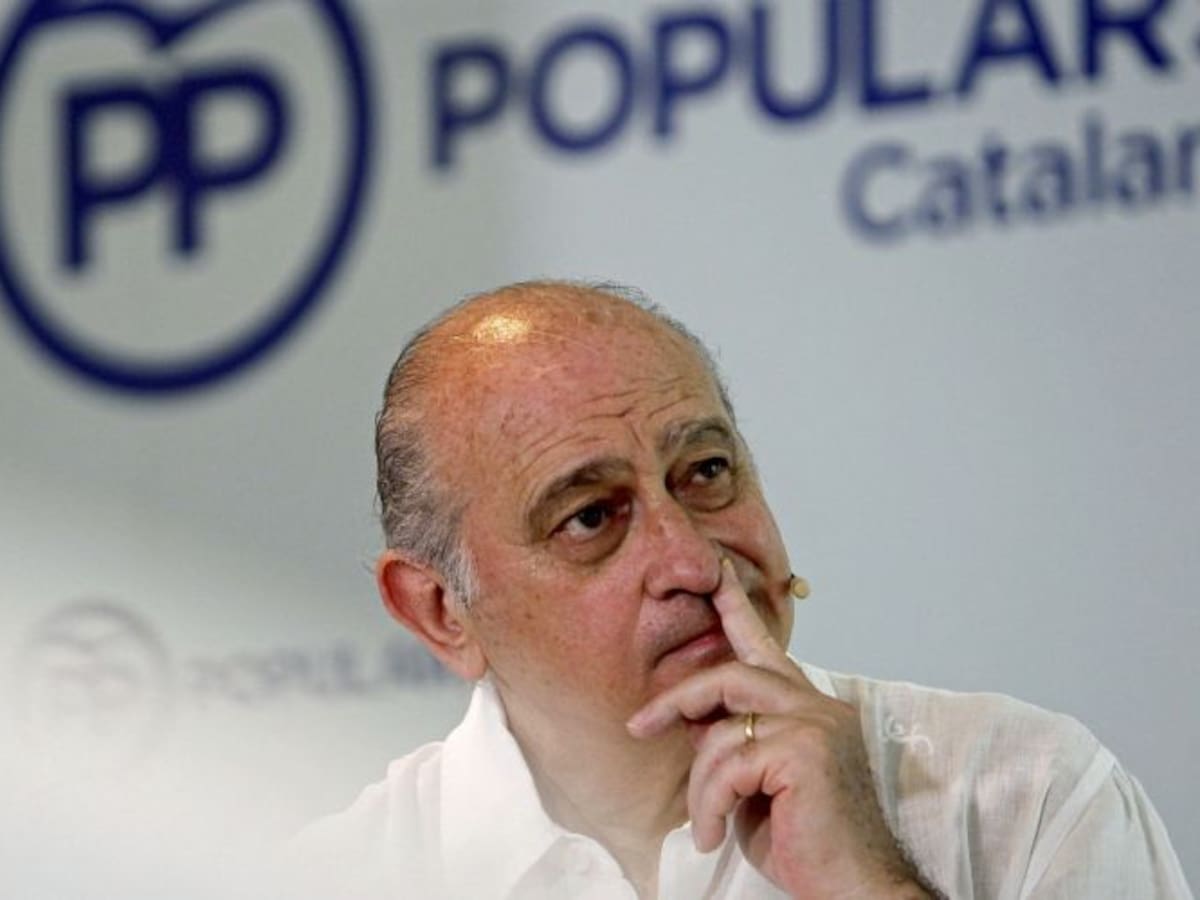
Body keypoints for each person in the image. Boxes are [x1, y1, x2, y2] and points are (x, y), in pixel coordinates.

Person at [286, 280, 1193, 899]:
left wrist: (866, 886)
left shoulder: (1019, 793)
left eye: (707, 472)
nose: (693, 562)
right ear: (441, 612)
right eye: (591, 518)